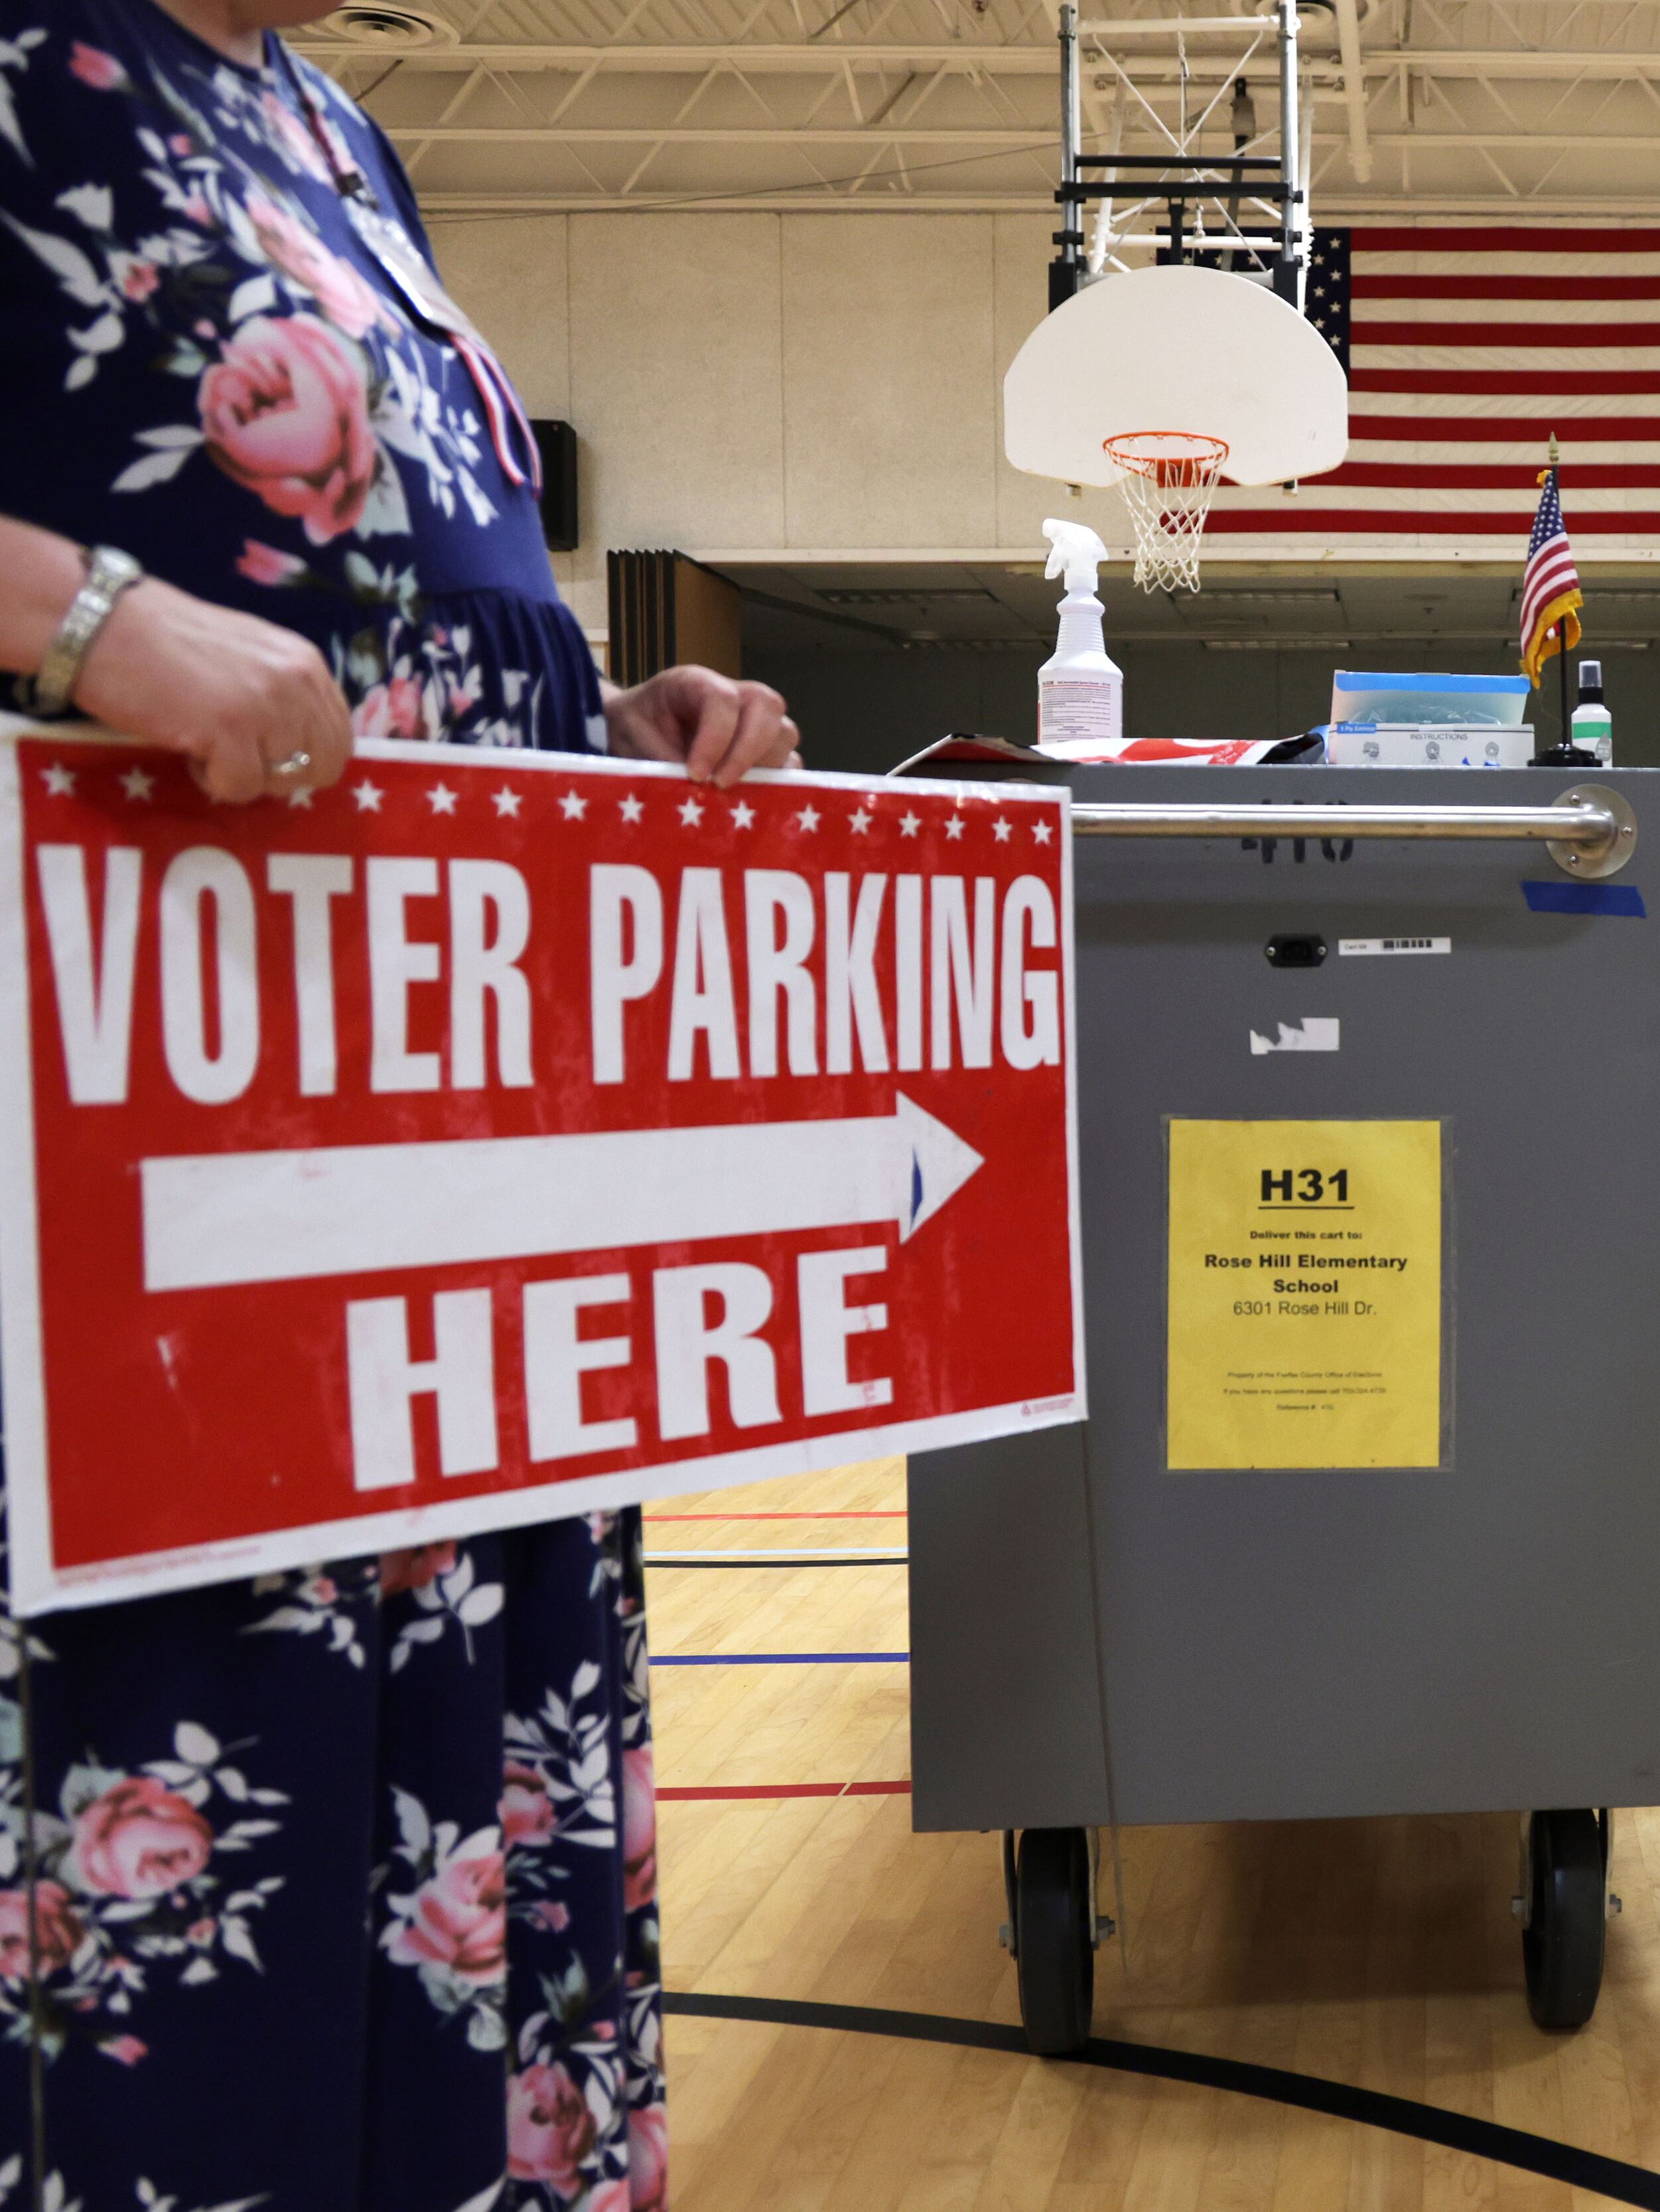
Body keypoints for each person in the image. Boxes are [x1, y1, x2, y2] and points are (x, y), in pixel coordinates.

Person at [0, 0, 797, 2203]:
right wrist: (80, 621)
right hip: (139, 1223)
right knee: (186, 1879)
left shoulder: (331, 125)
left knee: (450, 1858)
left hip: (420, 1237)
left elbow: (401, 614)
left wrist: (603, 716)